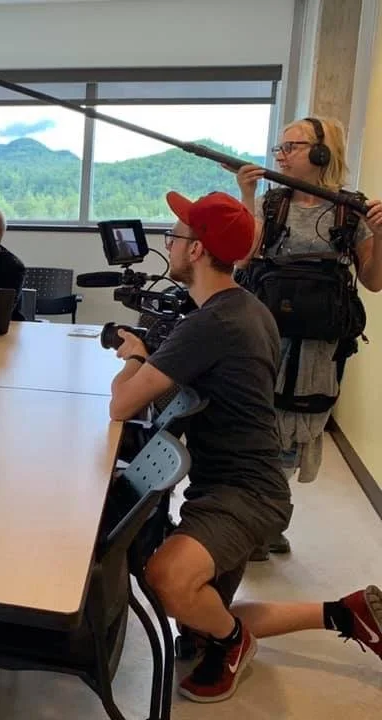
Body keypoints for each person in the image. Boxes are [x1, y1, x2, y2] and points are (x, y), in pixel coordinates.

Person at [107, 189, 381, 703]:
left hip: (244, 495)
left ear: (195, 251)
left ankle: (235, 644)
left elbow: (122, 405)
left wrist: (136, 355)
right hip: (241, 485)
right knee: (204, 617)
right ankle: (346, 612)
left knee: (167, 577)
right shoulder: (246, 305)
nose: (168, 242)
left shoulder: (212, 322)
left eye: (176, 235)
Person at [232, 116, 382, 558]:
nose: (281, 155)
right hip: (265, 333)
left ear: (321, 152)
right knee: (256, 425)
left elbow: (373, 281)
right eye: (280, 148)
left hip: (317, 346)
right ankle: (261, 519)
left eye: (291, 147)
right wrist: (246, 196)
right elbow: (242, 257)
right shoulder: (272, 204)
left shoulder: (348, 209)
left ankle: (271, 520)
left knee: (295, 431)